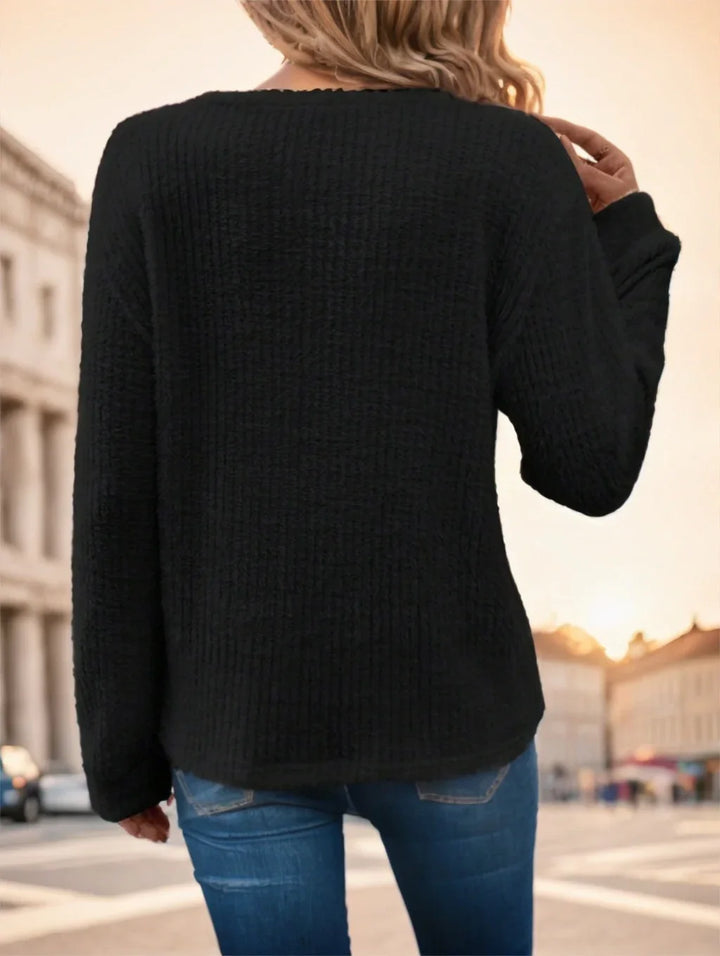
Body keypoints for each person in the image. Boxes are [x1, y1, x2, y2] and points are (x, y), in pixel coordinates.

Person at [70, 1, 682, 954]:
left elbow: (115, 486)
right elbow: (592, 466)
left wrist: (116, 751)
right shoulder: (504, 159)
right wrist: (630, 246)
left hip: (239, 723)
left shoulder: (153, 157)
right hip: (455, 708)